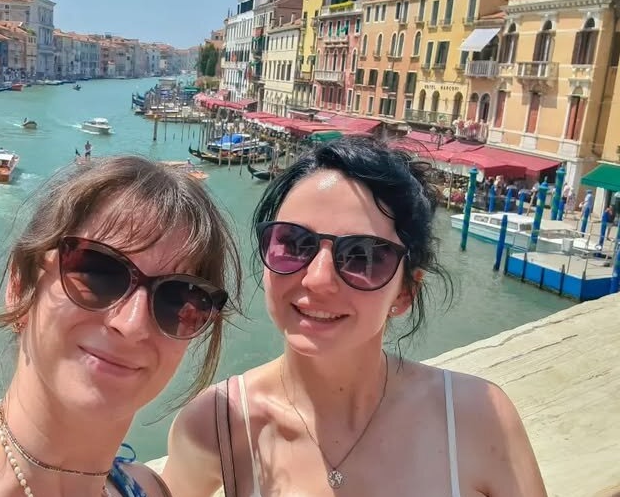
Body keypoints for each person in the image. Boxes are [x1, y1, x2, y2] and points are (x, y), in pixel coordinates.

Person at [163, 138, 546, 497]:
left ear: (405, 293)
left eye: (363, 256)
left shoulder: (478, 418)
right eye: (293, 243)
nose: (317, 279)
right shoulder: (217, 424)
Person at [0, 156, 242, 497]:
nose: (132, 324)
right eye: (97, 272)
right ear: (20, 287)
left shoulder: (150, 488)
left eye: (179, 298)